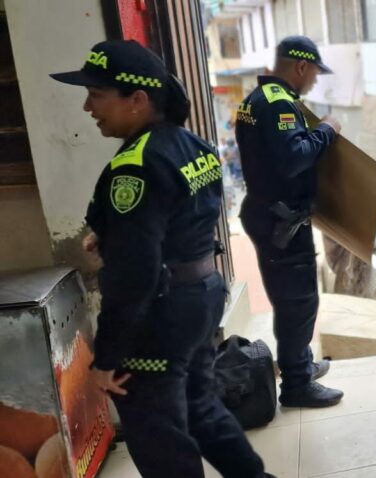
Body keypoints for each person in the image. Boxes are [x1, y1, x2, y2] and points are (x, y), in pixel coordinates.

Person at [51, 39, 270, 477]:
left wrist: (107, 359)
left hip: (158, 315)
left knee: (158, 435)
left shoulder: (135, 165)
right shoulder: (196, 147)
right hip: (201, 296)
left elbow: (136, 273)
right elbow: (179, 220)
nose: (88, 108)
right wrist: (112, 233)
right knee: (201, 408)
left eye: (97, 95)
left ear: (137, 100)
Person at [235, 36, 344, 408]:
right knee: (298, 302)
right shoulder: (279, 104)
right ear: (301, 67)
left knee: (291, 299)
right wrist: (327, 129)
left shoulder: (256, 99)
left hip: (270, 213)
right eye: (313, 72)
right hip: (281, 220)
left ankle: (301, 365)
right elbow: (293, 158)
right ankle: (298, 384)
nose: (314, 80)